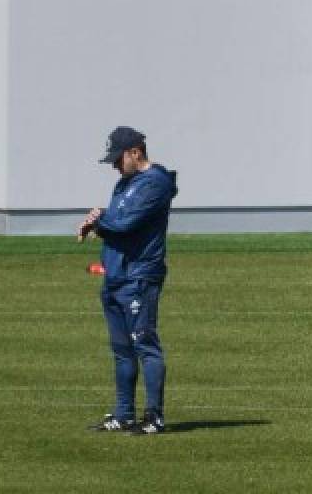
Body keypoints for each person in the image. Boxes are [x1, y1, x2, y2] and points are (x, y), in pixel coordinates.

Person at [77, 126, 178, 435]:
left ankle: (154, 416)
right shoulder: (125, 184)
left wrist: (99, 221)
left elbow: (127, 224)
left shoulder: (155, 184)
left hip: (139, 277)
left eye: (118, 159)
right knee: (121, 349)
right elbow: (117, 219)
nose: (114, 166)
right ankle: (123, 414)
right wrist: (99, 219)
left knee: (145, 344)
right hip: (116, 276)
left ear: (136, 152)